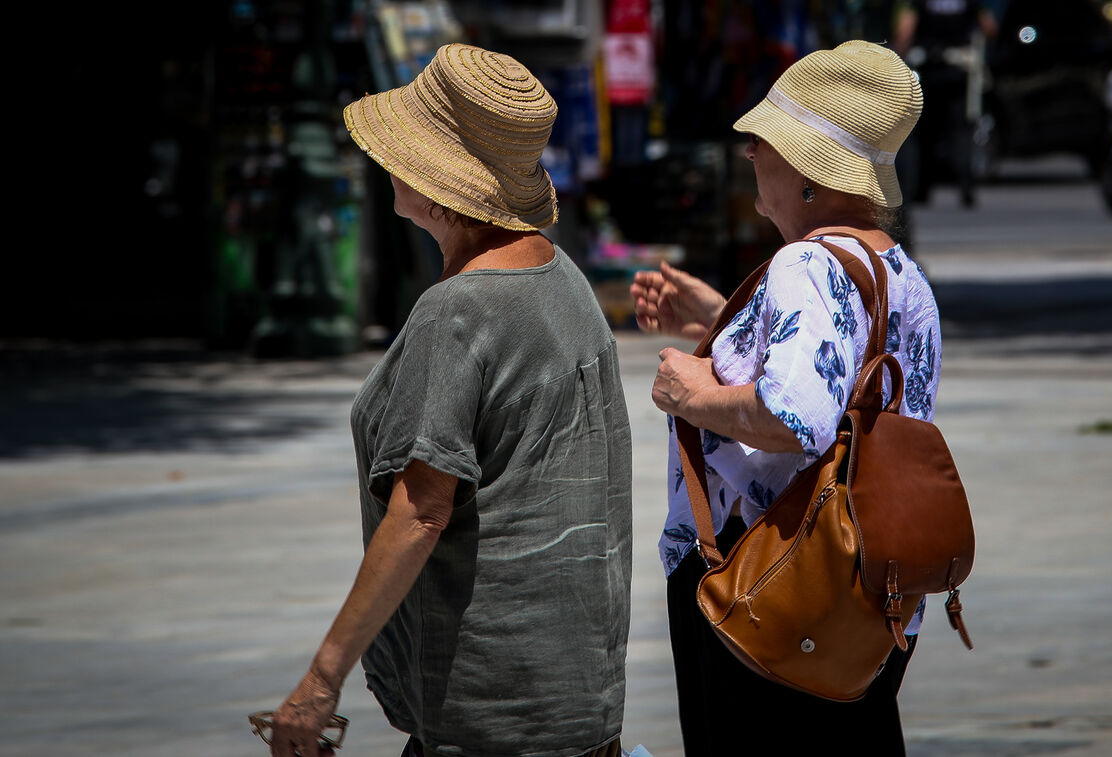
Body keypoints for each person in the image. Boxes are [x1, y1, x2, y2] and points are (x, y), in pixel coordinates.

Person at [263, 44, 633, 757]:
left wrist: (321, 678)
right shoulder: (569, 285)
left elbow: (422, 509)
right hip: (579, 700)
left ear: (441, 188)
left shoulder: (458, 312)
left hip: (489, 714)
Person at [630, 41, 940, 755]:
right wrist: (726, 322)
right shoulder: (898, 272)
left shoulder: (804, 263)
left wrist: (690, 389)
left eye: (762, 142)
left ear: (807, 173)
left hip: (764, 588)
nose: (749, 157)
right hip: (862, 592)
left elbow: (795, 416)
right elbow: (847, 380)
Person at [893, 0, 997, 208]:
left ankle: (922, 190)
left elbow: (906, 29)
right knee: (961, 131)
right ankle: (966, 186)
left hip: (928, 69)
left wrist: (899, 56)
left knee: (924, 133)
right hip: (959, 71)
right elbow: (989, 27)